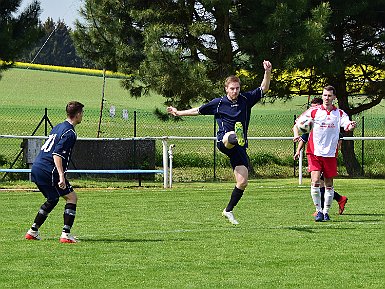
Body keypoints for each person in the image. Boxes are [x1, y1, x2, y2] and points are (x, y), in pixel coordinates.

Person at [167, 60, 272, 225]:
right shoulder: (219, 103)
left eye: (237, 88)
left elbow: (263, 88)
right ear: (226, 89)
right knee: (230, 135)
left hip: (239, 148)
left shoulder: (246, 99)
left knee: (243, 182)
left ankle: (228, 210)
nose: (235, 91)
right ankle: (235, 135)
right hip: (224, 141)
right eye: (232, 89)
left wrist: (267, 71)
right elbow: (198, 110)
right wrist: (178, 112)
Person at [293, 86, 356, 222]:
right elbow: (298, 123)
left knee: (328, 183)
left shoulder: (339, 114)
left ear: (334, 98)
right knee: (315, 180)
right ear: (322, 96)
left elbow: (347, 125)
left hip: (330, 153)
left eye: (329, 96)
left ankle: (326, 212)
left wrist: (351, 125)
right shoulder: (314, 111)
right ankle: (319, 211)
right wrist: (296, 134)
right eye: (325, 95)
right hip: (314, 152)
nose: (326, 98)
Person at [25, 101, 84, 243]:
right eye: (82, 113)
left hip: (37, 166)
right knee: (72, 198)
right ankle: (66, 235)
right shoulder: (70, 132)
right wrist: (62, 176)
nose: (83, 116)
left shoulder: (58, 127)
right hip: (49, 169)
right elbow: (57, 154)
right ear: (77, 115)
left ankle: (32, 231)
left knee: (53, 199)